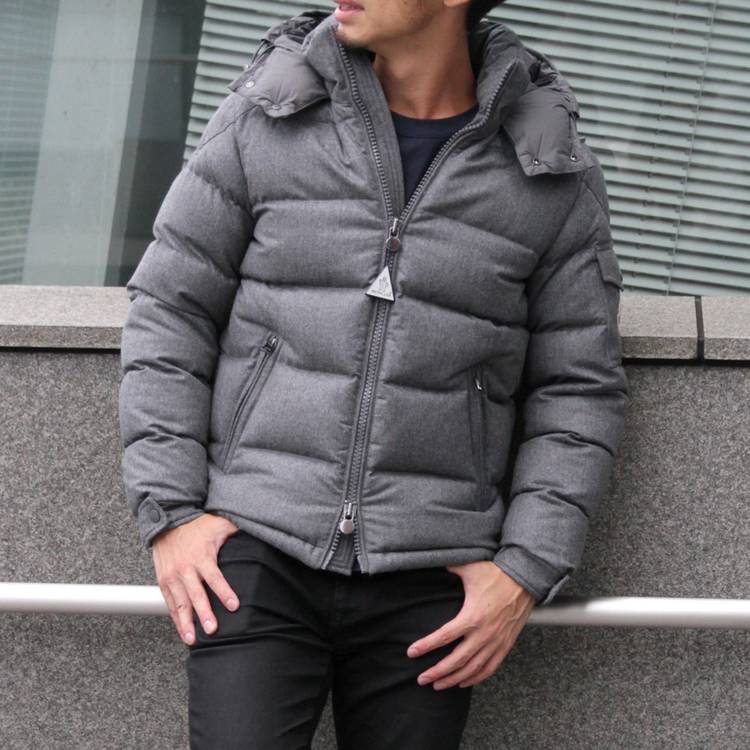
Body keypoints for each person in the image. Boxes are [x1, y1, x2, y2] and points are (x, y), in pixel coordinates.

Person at [118, 1, 629, 748]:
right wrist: (170, 512)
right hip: (258, 548)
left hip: (432, 578)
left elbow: (578, 387)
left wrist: (525, 569)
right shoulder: (268, 114)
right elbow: (170, 308)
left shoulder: (546, 169)